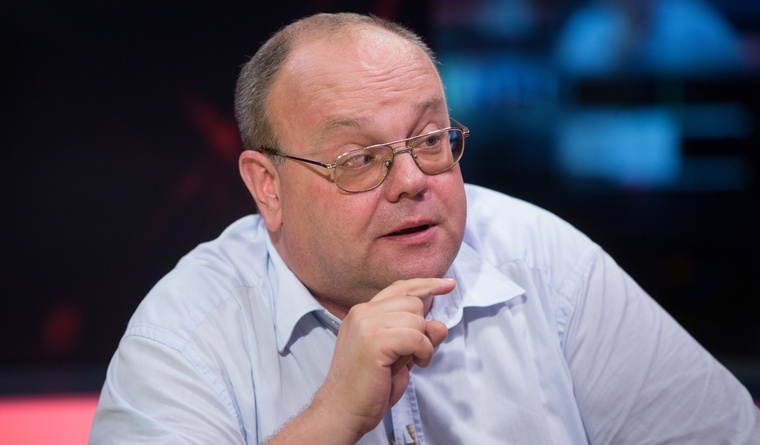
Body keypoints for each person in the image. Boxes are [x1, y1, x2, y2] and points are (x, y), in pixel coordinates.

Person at [89, 12, 759, 444]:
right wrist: (331, 418)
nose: (412, 180)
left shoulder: (541, 259)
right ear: (269, 186)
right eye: (359, 158)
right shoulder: (185, 335)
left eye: (431, 140)